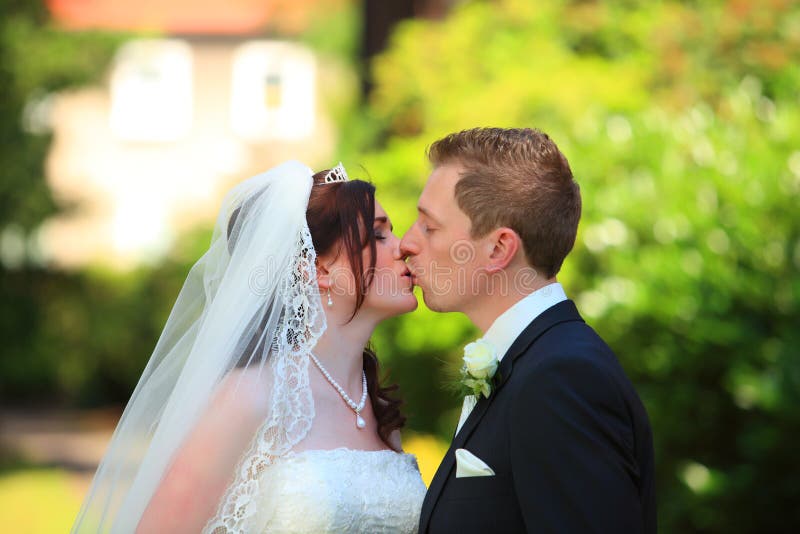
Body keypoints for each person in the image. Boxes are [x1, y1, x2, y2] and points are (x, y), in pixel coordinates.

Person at [71, 161, 426, 533]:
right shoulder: (250, 397)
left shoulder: (378, 405)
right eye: (377, 235)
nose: (402, 248)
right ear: (318, 270)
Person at [400, 128, 657, 533]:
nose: (406, 244)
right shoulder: (535, 363)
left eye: (430, 228)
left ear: (499, 249)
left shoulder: (562, 379)